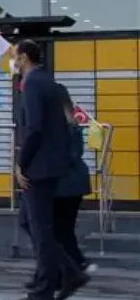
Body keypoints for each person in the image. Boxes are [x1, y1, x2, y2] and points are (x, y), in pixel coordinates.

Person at [10, 40, 89, 300]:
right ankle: (69, 272)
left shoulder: (33, 83)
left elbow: (34, 129)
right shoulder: (48, 81)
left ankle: (45, 290)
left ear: (24, 57)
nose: (13, 62)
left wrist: (21, 164)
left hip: (39, 167)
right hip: (48, 165)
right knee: (32, 223)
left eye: (15, 57)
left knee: (40, 228)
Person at [53, 86, 92, 277]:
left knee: (58, 229)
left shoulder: (59, 126)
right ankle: (77, 262)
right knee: (66, 228)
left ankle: (74, 265)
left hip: (64, 183)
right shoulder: (73, 123)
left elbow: (65, 156)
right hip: (77, 182)